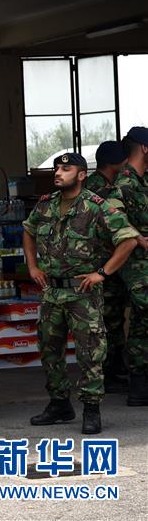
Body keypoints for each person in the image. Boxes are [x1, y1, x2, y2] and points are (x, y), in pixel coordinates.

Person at [24, 152, 138, 434]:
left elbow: (128, 240)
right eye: (57, 168)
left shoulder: (96, 206)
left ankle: (91, 409)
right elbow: (28, 231)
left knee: (90, 353)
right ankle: (59, 404)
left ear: (82, 175)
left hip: (82, 294)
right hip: (52, 292)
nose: (58, 172)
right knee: (50, 351)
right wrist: (32, 266)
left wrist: (102, 273)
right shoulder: (46, 205)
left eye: (66, 169)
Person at [84, 141, 130, 393]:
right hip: (101, 264)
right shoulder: (100, 189)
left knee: (111, 318)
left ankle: (113, 369)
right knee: (107, 320)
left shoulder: (97, 184)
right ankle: (109, 372)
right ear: (115, 163)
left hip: (104, 264)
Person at [115, 127, 148, 406]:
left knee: (140, 322)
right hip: (137, 264)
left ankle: (139, 386)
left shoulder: (142, 180)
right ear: (144, 148)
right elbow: (112, 216)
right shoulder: (124, 182)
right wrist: (139, 238)